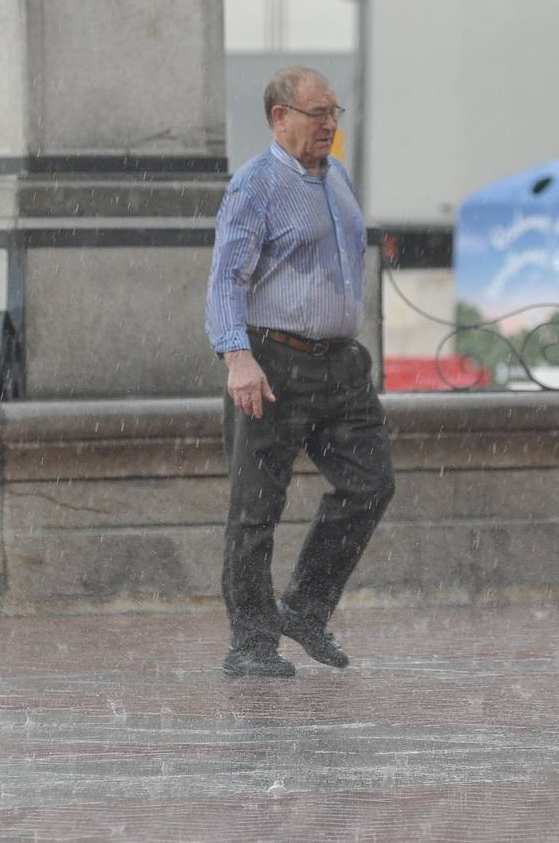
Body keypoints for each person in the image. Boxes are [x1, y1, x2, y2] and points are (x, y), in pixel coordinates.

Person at [205, 66, 396, 678]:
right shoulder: (253, 186)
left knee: (371, 484)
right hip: (273, 359)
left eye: (335, 112)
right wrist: (238, 358)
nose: (330, 124)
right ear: (279, 116)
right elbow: (226, 279)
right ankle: (252, 641)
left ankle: (305, 609)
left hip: (340, 363)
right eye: (318, 113)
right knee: (256, 505)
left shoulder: (337, 175)